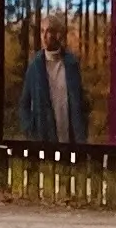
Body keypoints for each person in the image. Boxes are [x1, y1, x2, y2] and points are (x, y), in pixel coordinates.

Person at [18, 11, 91, 144]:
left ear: (58, 34)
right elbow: (24, 104)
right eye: (42, 31)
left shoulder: (71, 63)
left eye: (49, 31)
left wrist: (83, 126)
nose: (44, 36)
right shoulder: (34, 67)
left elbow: (81, 100)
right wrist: (30, 129)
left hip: (72, 139)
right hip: (44, 138)